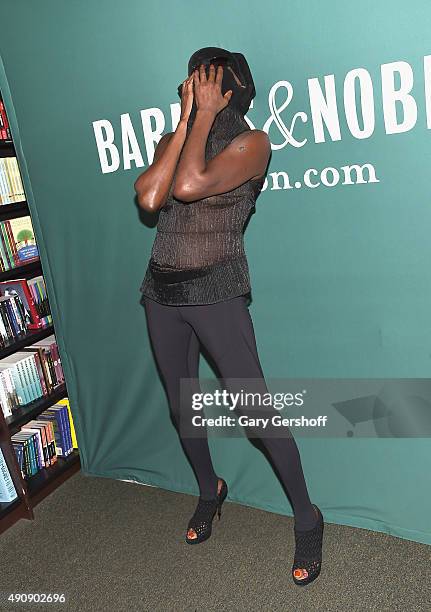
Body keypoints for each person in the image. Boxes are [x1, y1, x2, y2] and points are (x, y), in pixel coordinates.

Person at [134, 47, 324, 586]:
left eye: (205, 82)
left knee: (258, 415)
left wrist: (207, 117)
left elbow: (191, 185)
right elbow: (151, 197)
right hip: (160, 293)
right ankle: (208, 490)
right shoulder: (177, 136)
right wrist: (183, 123)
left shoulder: (254, 142)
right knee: (181, 406)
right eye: (191, 82)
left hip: (216, 291)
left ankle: (309, 520)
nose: (194, 88)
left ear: (230, 88)